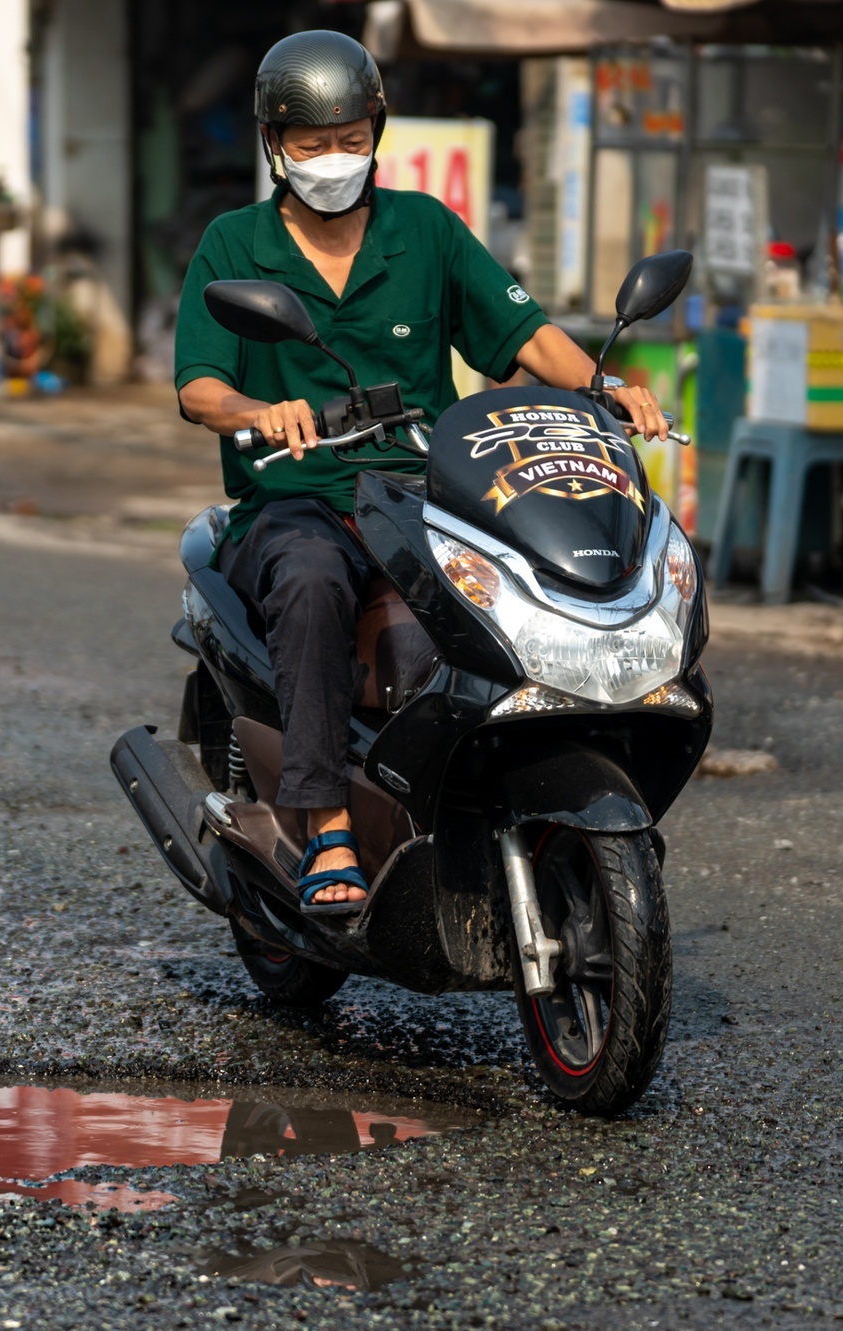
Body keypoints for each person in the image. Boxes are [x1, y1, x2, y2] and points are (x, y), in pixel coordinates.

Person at [175, 29, 668, 914]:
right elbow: (200, 387)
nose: (334, 159)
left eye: (351, 138)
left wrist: (608, 385)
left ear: (378, 130)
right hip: (297, 500)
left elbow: (524, 335)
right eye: (311, 143)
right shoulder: (233, 243)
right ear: (273, 145)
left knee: (514, 587)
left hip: (420, 490)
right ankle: (325, 822)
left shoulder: (427, 229)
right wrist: (261, 412)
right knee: (315, 581)